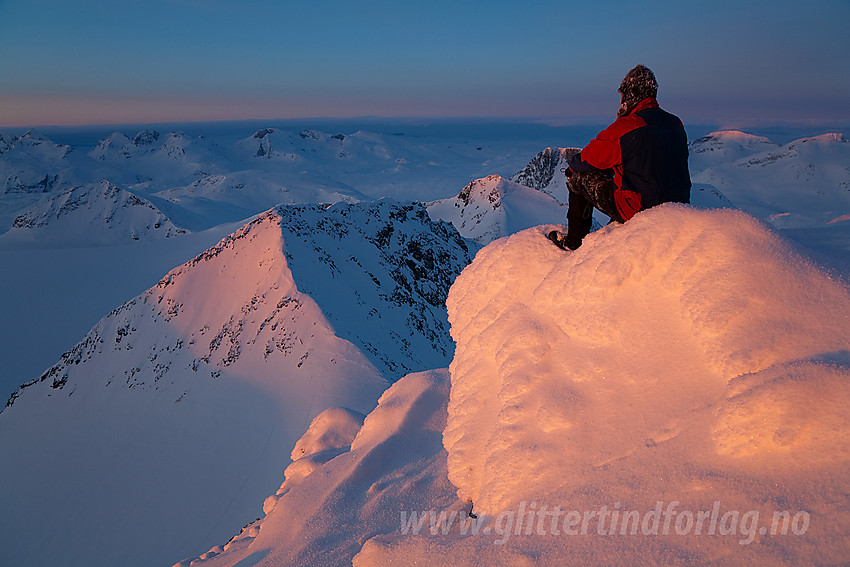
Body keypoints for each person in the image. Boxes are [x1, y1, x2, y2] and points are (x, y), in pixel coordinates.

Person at [549, 65, 691, 250]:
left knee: (577, 178)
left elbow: (589, 158)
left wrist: (572, 167)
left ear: (630, 94)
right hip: (679, 203)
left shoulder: (629, 126)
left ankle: (573, 242)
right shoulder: (676, 123)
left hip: (641, 208)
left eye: (622, 95)